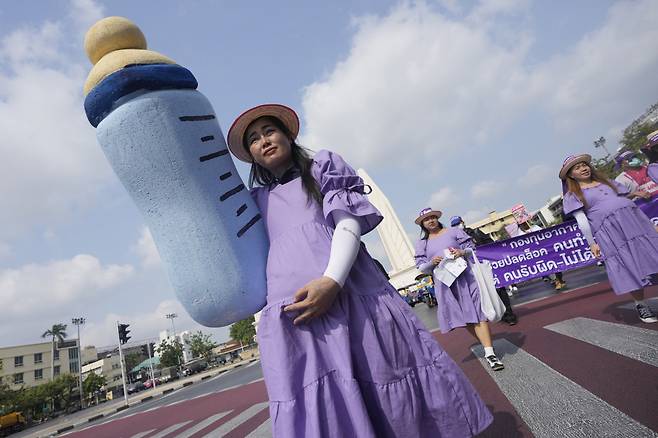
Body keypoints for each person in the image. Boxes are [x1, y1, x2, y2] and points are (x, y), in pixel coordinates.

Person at [226, 104, 492, 437]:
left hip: (352, 295)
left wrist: (332, 281)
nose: (263, 140)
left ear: (287, 135)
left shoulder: (321, 168)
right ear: (250, 155)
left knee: (384, 381)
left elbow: (347, 223)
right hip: (295, 315)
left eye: (269, 131)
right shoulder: (254, 201)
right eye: (253, 138)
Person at [560, 154, 658, 323]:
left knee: (652, 256)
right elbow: (582, 220)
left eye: (584, 165)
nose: (583, 168)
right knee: (628, 265)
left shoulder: (607, 182)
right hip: (611, 233)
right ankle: (640, 303)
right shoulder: (572, 195)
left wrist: (637, 194)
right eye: (577, 167)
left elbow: (621, 196)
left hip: (635, 224)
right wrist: (592, 243)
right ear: (570, 175)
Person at [415, 209, 505, 370]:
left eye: (433, 217)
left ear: (437, 219)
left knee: (479, 314)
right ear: (422, 224)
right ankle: (486, 345)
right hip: (445, 284)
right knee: (466, 318)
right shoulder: (423, 243)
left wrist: (461, 252)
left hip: (467, 278)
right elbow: (421, 267)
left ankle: (490, 352)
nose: (430, 221)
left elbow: (472, 250)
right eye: (426, 219)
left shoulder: (454, 231)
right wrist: (432, 263)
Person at [450, 215, 519, 325]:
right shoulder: (454, 240)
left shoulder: (476, 233)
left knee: (499, 289)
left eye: (457, 223)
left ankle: (509, 314)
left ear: (463, 222)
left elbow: (491, 246)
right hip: (472, 270)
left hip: (487, 266)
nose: (457, 226)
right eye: (454, 225)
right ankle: (495, 313)